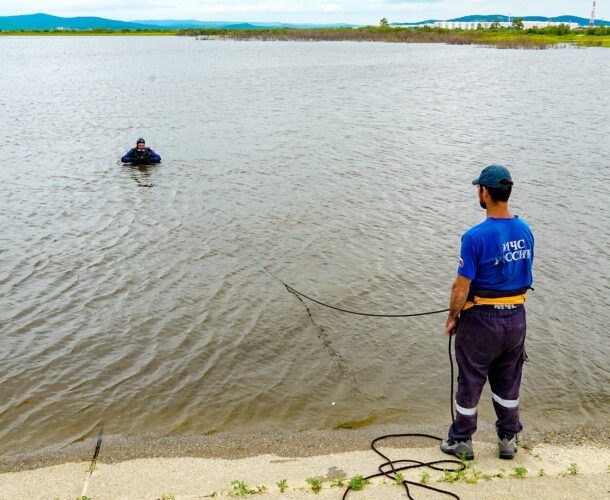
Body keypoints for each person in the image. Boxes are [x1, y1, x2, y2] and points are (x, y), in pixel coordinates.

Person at [441, 165, 534, 461]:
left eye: (478, 188)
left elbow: (461, 287)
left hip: (482, 320)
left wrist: (453, 316)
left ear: (485, 192)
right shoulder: (526, 230)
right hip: (516, 318)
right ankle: (508, 439)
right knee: (508, 380)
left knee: (470, 378)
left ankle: (462, 440)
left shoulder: (474, 237)